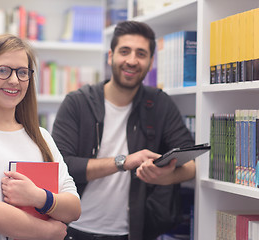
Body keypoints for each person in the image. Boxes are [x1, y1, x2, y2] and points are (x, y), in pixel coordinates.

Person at [51, 21, 196, 240]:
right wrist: (123, 162)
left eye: (141, 54)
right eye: (124, 51)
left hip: (132, 233)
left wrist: (160, 177)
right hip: (72, 229)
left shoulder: (159, 103)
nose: (131, 61)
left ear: (150, 62)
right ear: (110, 56)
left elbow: (191, 165)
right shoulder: (78, 102)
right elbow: (62, 165)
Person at [0, 34, 81, 240]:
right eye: (2, 70)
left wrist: (38, 197)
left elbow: (73, 207)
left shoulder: (41, 136)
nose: (14, 80)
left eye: (22, 72)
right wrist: (48, 232)